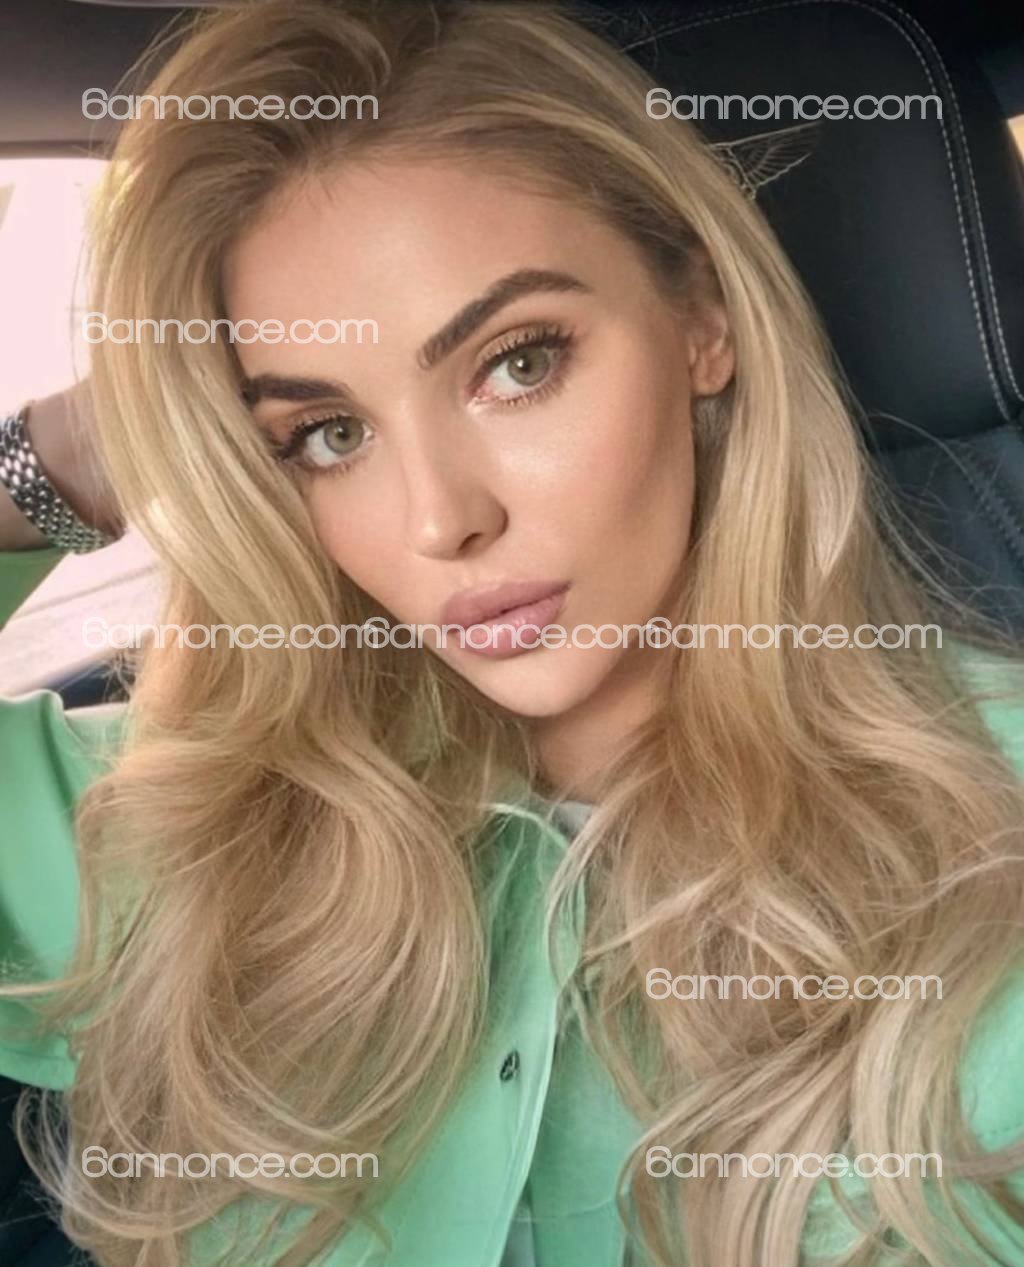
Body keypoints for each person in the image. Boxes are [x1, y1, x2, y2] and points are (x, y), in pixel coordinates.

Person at [1, 2, 1023, 1264]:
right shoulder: (190, 824)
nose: (440, 520)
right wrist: (71, 453)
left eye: (518, 364)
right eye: (327, 434)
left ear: (702, 324)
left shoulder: (990, 838)